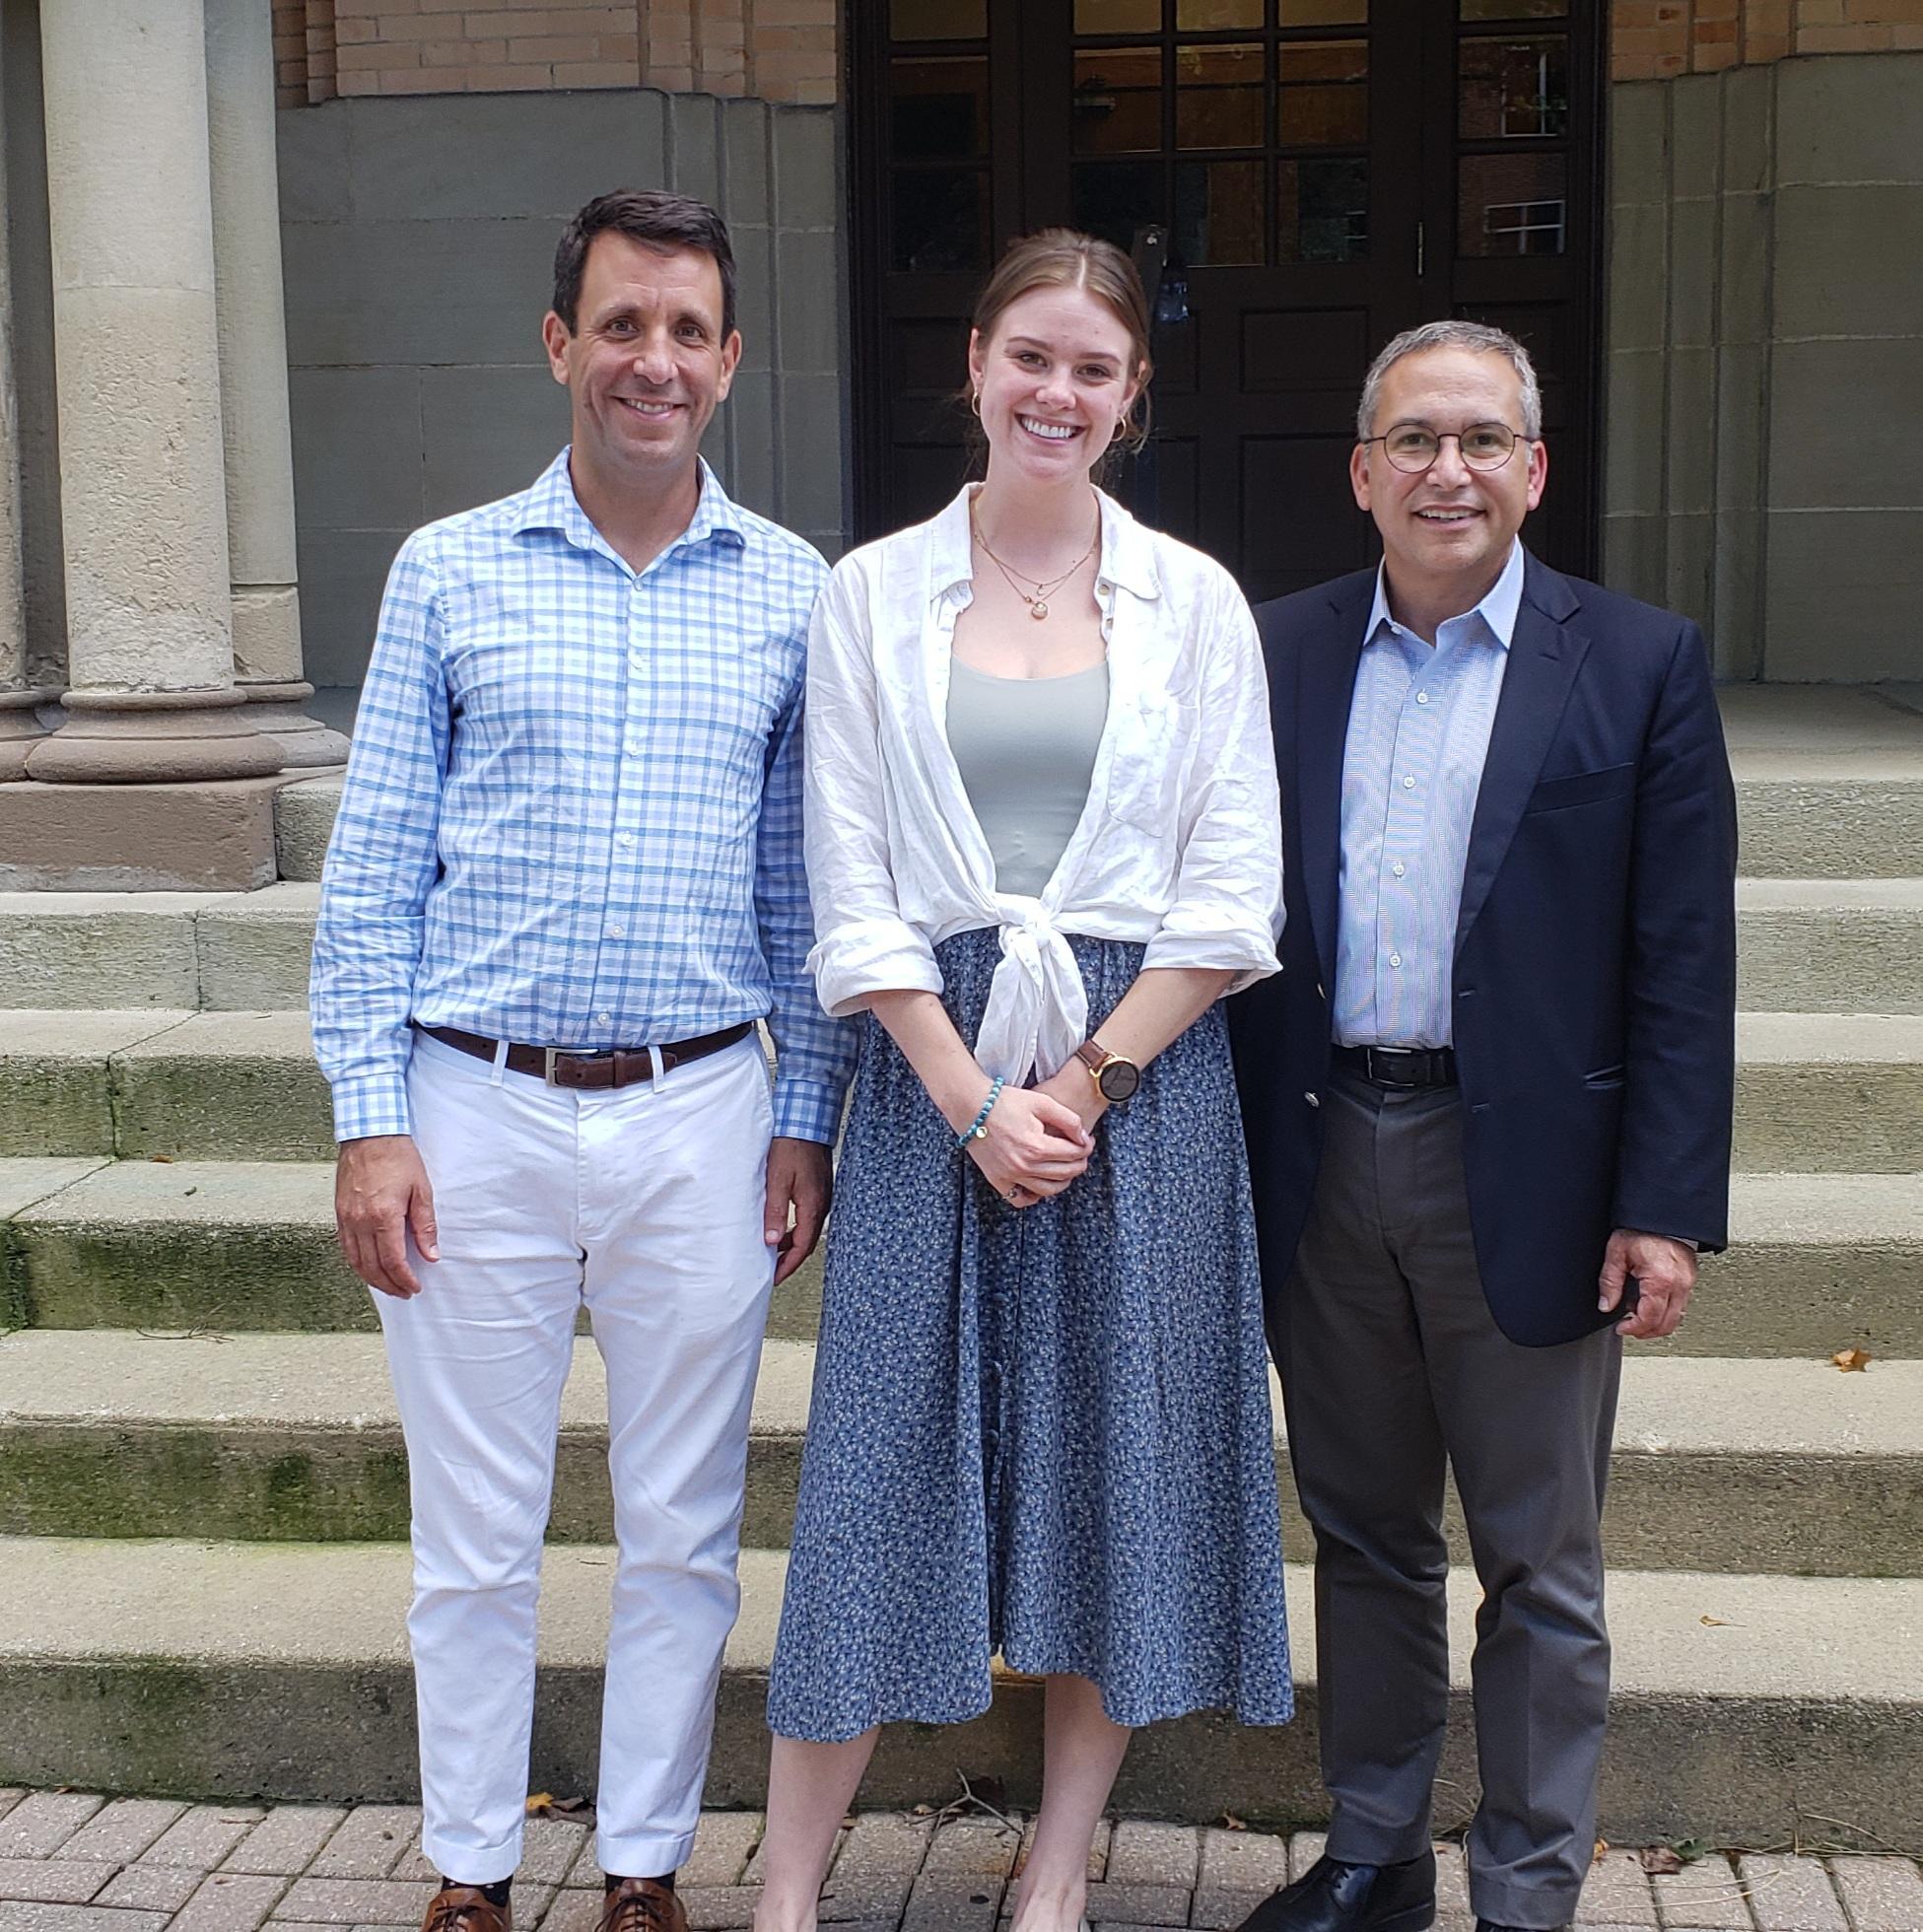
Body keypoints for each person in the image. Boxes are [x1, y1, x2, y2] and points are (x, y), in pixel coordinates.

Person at [309, 189, 856, 1932]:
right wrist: (369, 1121)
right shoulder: (449, 569)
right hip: (470, 1103)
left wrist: (808, 1113)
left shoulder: (794, 592)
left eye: (687, 330)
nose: (653, 361)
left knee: (682, 1527)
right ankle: (471, 1872)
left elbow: (801, 886)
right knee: (474, 1536)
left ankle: (641, 1869)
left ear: (730, 360)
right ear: (561, 344)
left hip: (705, 1109)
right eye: (622, 325)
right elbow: (375, 868)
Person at [751, 230, 1293, 1932]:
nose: (1057, 392)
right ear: (974, 365)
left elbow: (1233, 893)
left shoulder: (1194, 600)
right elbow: (848, 880)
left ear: (1133, 397)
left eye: (1093, 368)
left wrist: (1086, 1086)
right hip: (930, 1074)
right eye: (1030, 357)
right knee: (874, 1475)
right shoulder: (868, 593)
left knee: (1115, 1474)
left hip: (1143, 1079)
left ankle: (1057, 1872)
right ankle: (785, 1890)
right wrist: (969, 1099)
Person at [1229, 320, 1737, 1932]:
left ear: (1534, 468)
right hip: (1323, 1153)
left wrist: (1662, 1202)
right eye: (1413, 439)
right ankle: (1374, 1852)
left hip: (1526, 1173)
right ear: (1360, 472)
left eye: (1480, 439)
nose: (1445, 470)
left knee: (1538, 1564)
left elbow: (1680, 957)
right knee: (1363, 1534)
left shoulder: (1637, 660)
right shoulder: (1273, 651)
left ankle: (1524, 1889)